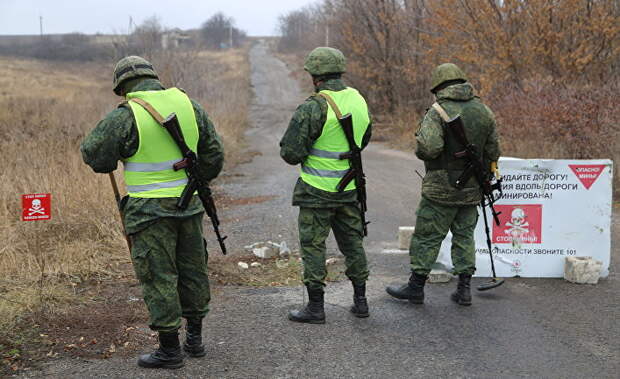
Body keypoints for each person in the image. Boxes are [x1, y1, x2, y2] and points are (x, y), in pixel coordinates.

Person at [81, 56, 224, 368]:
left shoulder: (126, 115)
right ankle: (195, 341)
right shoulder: (189, 104)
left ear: (122, 87)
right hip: (189, 204)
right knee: (193, 269)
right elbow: (214, 154)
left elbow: (95, 156)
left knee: (158, 275)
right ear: (154, 78)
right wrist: (197, 181)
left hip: (148, 210)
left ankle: (170, 351)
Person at [386, 63, 500, 306]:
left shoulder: (437, 112)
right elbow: (493, 152)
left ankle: (415, 287)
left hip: (441, 189)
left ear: (438, 87)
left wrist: (421, 144)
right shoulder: (484, 111)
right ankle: (464, 289)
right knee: (465, 236)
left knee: (428, 236)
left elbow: (429, 148)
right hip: (472, 189)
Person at [279, 47, 372, 324]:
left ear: (315, 76)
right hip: (348, 188)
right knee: (353, 244)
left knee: (313, 246)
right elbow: (364, 138)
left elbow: (290, 153)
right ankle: (361, 301)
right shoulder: (358, 99)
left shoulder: (313, 106)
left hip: (316, 190)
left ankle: (316, 308)